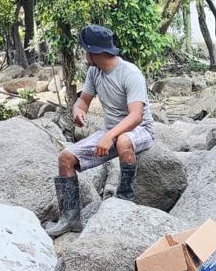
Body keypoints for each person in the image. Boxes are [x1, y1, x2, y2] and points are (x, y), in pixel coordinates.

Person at [45, 24, 155, 237]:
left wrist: (109, 136)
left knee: (123, 140)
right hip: (111, 132)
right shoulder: (94, 72)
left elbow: (136, 116)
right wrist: (78, 111)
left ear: (94, 52)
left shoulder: (130, 73)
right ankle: (70, 218)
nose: (84, 54)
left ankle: (125, 200)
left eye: (85, 50)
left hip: (140, 131)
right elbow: (83, 101)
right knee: (65, 158)